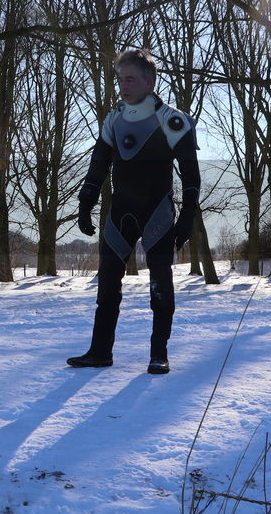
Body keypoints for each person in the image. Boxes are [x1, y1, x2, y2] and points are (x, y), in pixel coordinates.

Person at [68, 49, 201, 374]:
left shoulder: (173, 119)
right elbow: (97, 166)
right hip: (120, 214)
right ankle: (100, 351)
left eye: (130, 79)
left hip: (157, 213)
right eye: (120, 79)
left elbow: (191, 175)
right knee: (107, 288)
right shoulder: (114, 119)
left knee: (160, 286)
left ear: (149, 80)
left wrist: (187, 217)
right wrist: (86, 203)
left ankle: (159, 354)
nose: (124, 86)